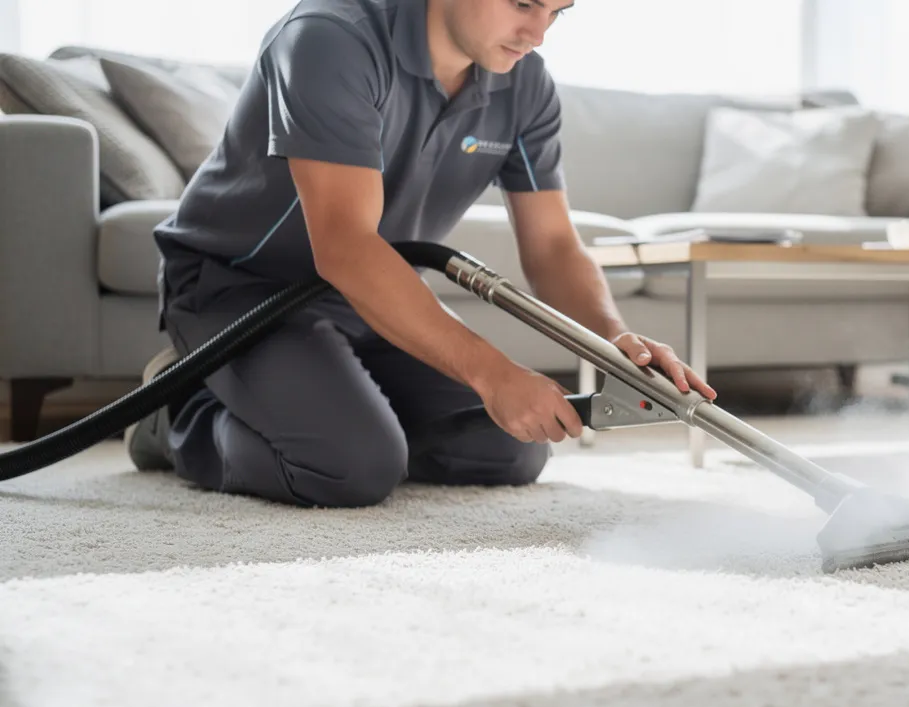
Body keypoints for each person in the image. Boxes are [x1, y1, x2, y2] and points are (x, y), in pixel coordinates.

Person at [125, 0, 716, 508]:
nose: (537, 35)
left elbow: (554, 244)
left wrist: (614, 342)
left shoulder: (523, 83)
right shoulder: (329, 39)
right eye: (523, 4)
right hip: (241, 289)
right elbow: (347, 248)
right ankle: (175, 414)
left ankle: (336, 414)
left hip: (378, 297)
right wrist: (491, 372)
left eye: (557, 12)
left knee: (510, 448)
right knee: (351, 469)